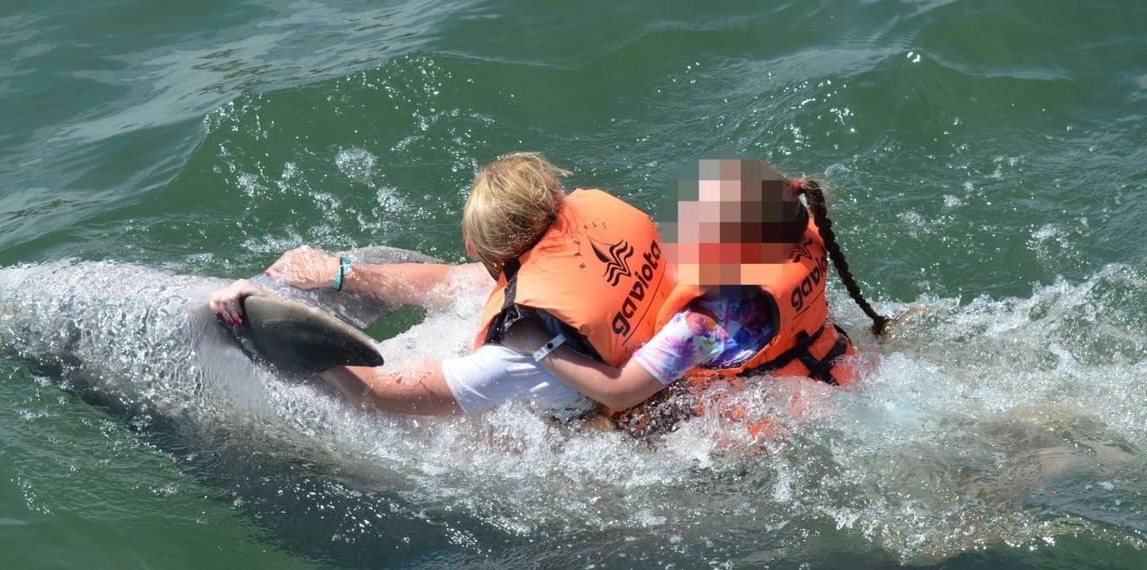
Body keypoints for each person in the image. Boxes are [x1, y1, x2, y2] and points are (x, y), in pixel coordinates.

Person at [209, 152, 676, 417]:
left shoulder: (519, 349)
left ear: (485, 249)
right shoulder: (582, 247)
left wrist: (295, 337)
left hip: (608, 429)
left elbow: (382, 394)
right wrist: (341, 275)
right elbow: (454, 282)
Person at [501, 158, 889, 435]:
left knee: (576, 428)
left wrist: (541, 346)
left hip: (780, 429)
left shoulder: (699, 325)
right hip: (844, 376)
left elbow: (619, 391)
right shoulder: (797, 248)